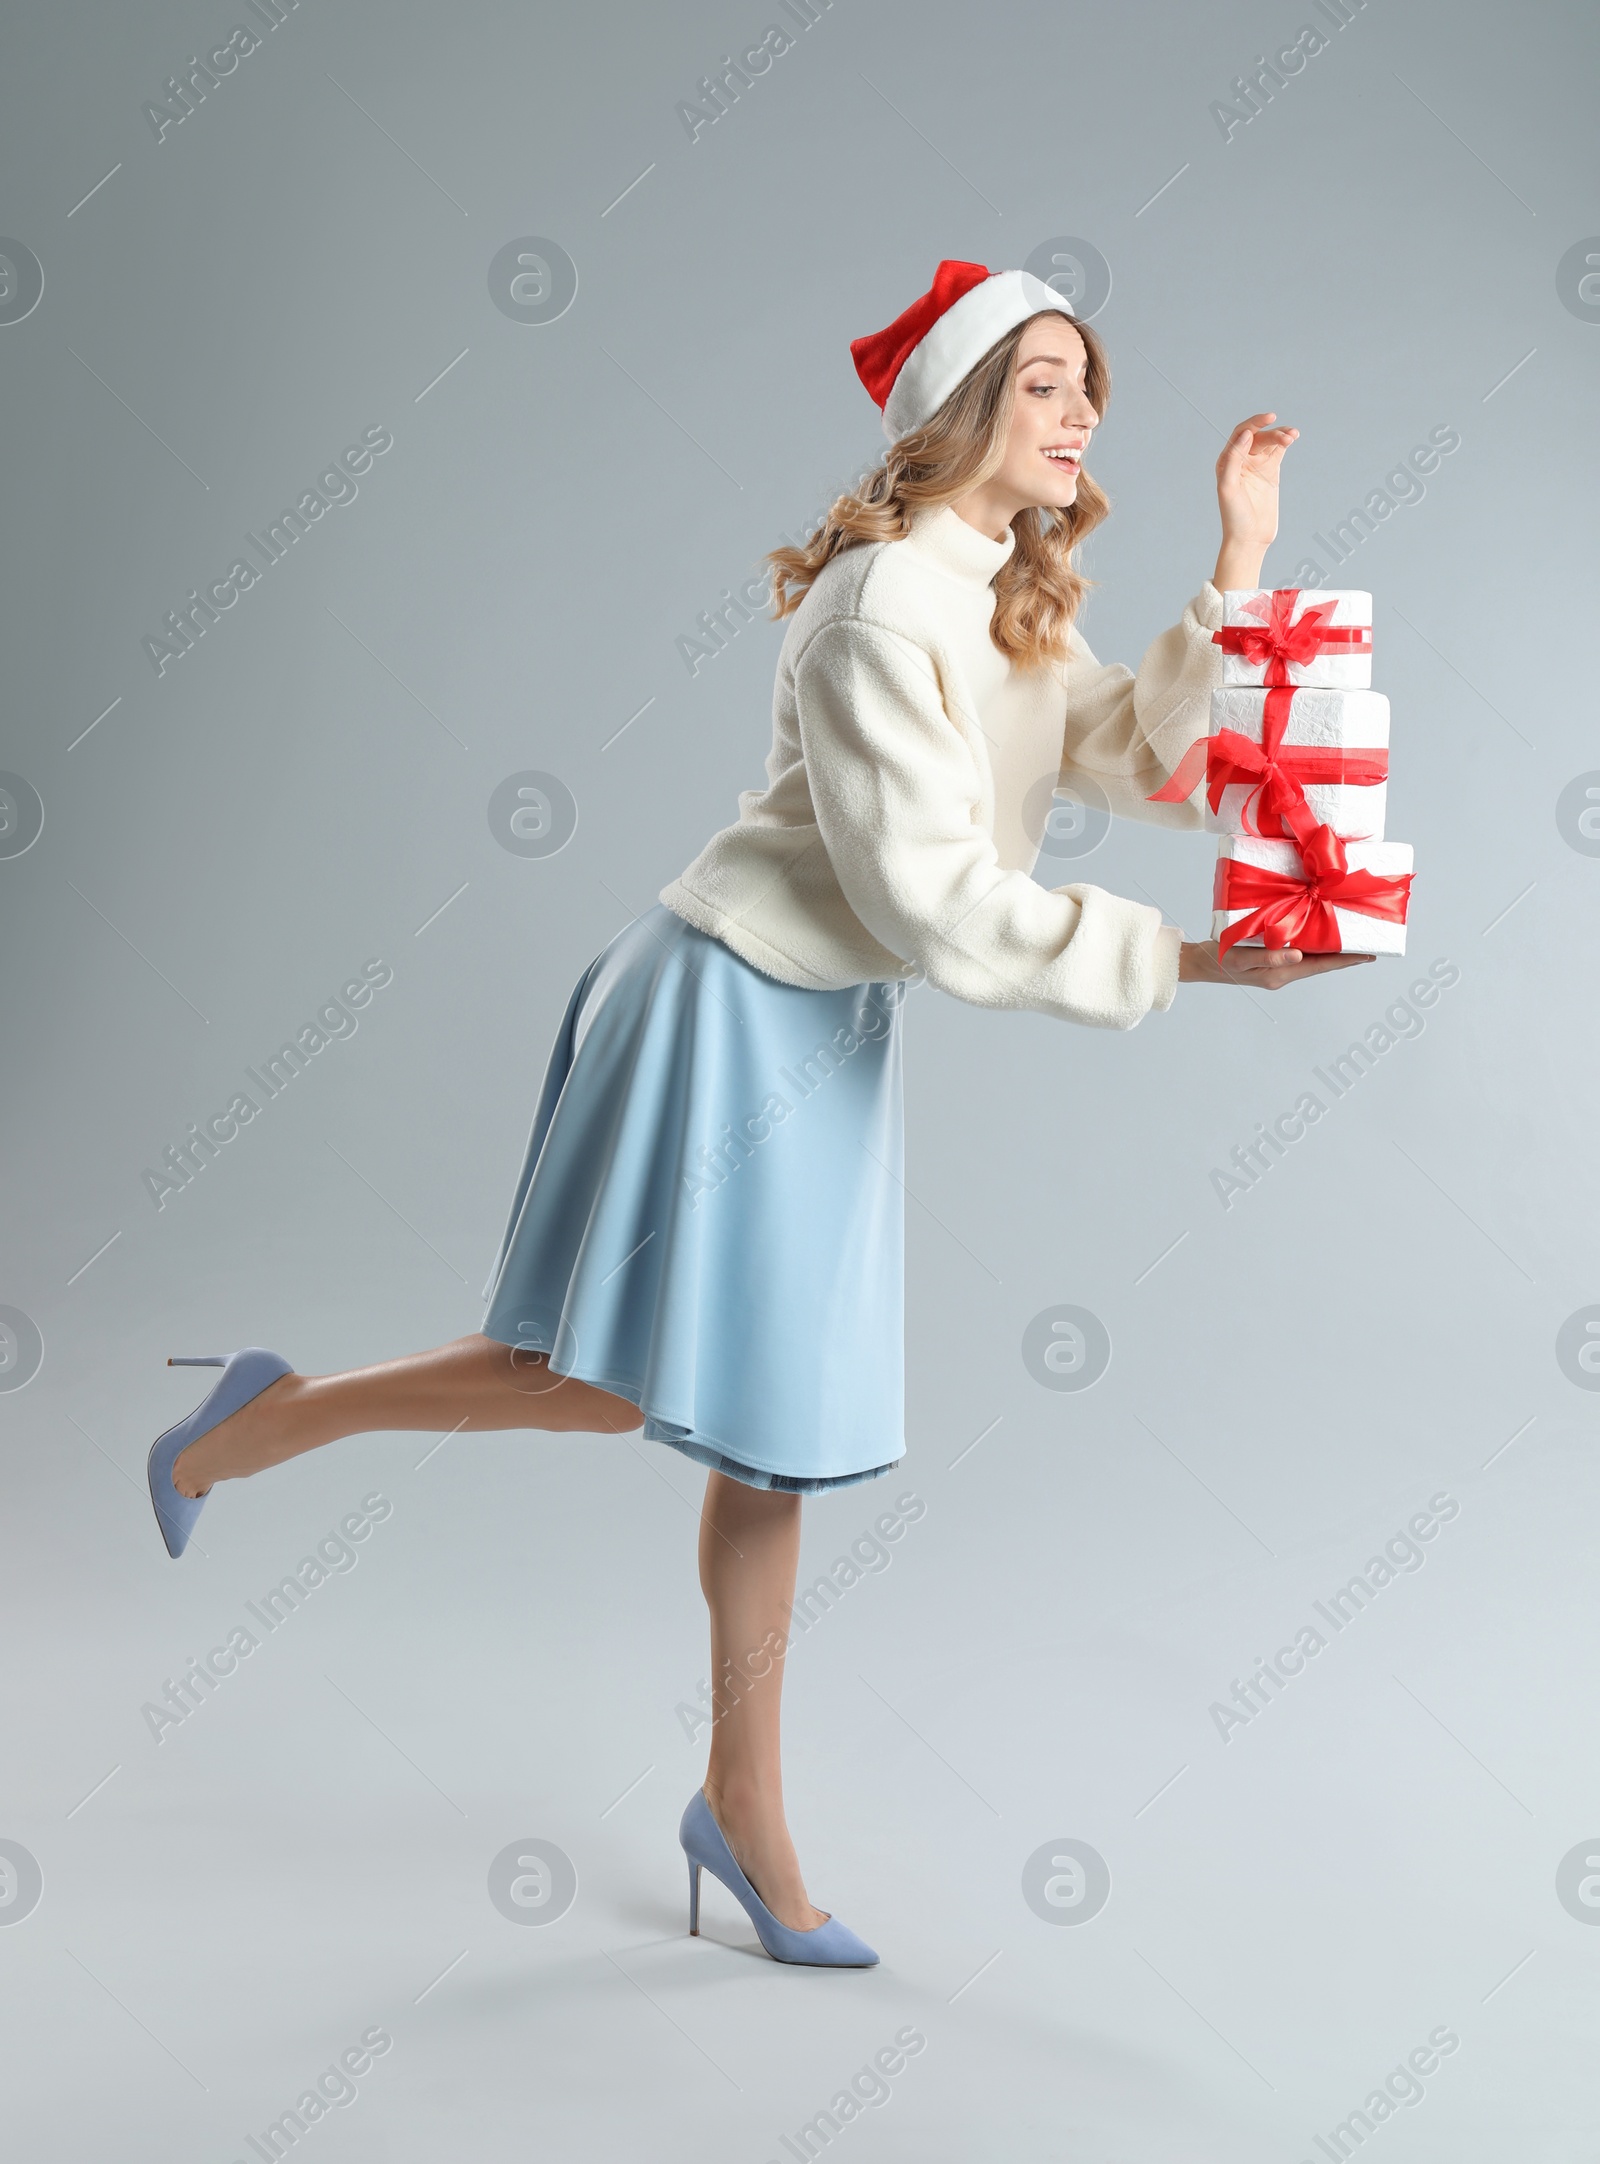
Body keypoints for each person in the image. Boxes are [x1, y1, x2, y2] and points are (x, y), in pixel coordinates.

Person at [146, 257, 1371, 1969]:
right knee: (576, 1384)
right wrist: (1197, 967)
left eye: (1088, 377)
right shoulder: (876, 607)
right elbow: (938, 901)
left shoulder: (1004, 600)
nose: (1080, 404)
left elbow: (1138, 756)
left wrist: (1240, 560)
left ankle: (742, 1808)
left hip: (824, 1025)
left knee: (772, 1432)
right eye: (1038, 377)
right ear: (957, 410)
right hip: (721, 1002)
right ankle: (262, 1425)